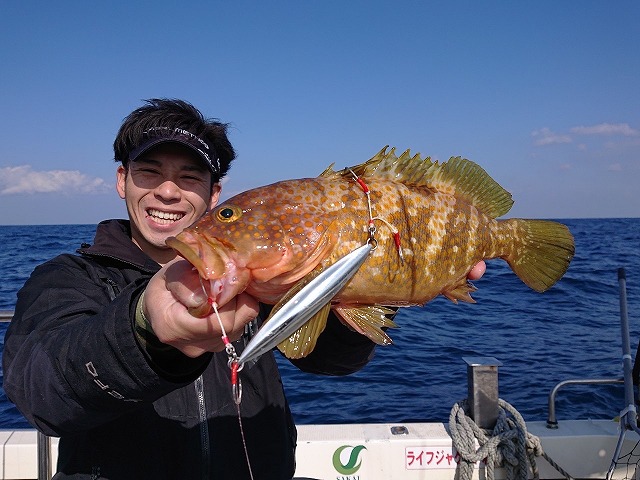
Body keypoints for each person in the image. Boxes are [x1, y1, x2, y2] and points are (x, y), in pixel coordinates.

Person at [2, 99, 486, 480]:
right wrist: (145, 327)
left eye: (190, 177)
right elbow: (41, 393)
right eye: (149, 172)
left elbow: (332, 361)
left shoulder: (262, 277)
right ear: (122, 180)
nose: (168, 191)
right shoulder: (68, 277)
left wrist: (377, 285)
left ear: (214, 194)